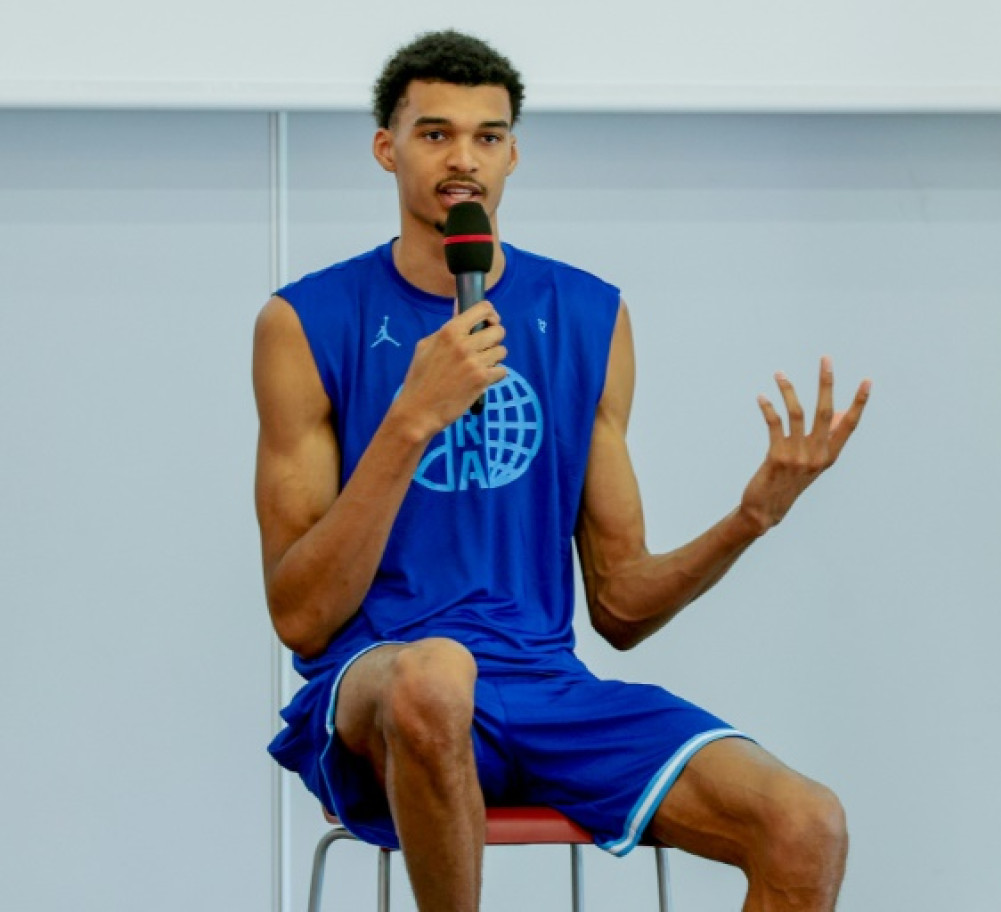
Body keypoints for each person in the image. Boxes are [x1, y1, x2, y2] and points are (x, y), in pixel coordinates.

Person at [253, 29, 872, 912]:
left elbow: (620, 606)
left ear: (513, 154)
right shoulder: (303, 323)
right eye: (435, 134)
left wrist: (751, 518)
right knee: (437, 676)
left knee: (807, 823)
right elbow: (301, 616)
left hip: (542, 685)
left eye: (488, 136)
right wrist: (410, 417)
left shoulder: (588, 315)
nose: (463, 158)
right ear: (387, 149)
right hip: (380, 686)